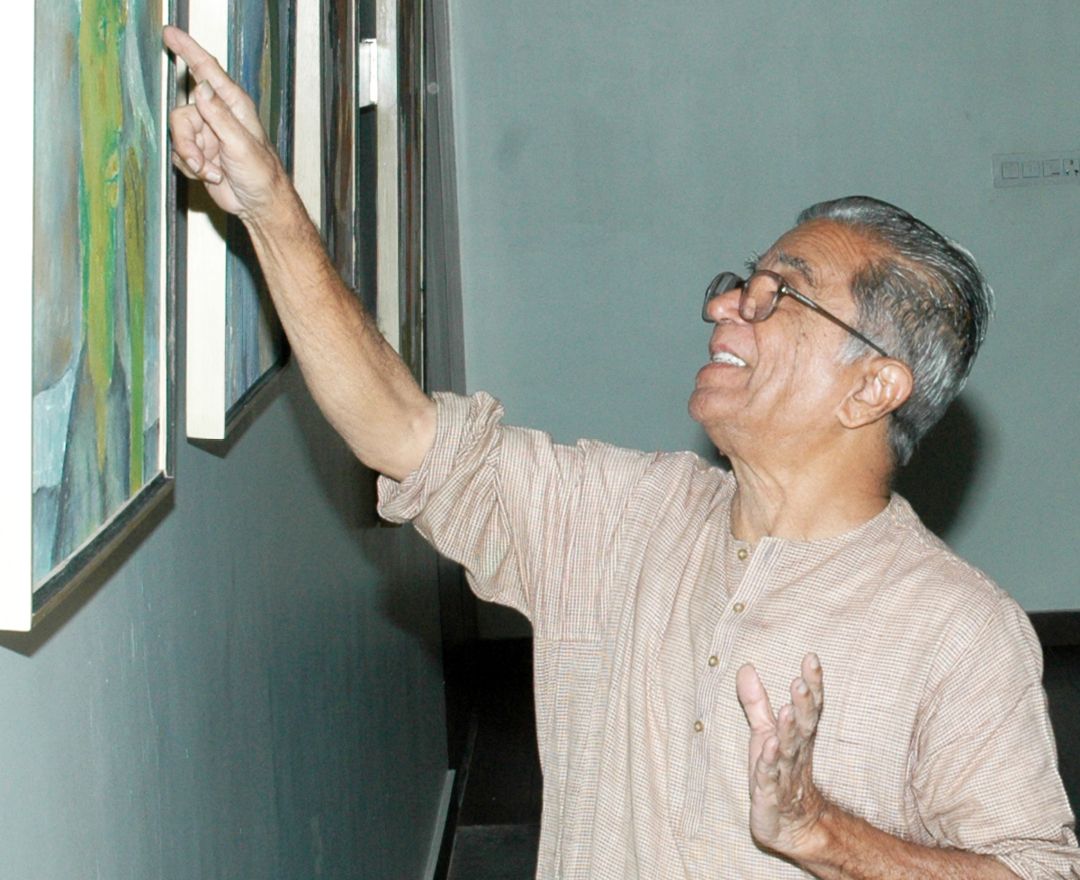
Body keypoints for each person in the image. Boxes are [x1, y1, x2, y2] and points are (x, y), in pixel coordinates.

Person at [164, 25, 1079, 879]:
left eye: (778, 296)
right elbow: (400, 431)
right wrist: (270, 207)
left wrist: (819, 831)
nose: (723, 308)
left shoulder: (958, 630)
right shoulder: (623, 518)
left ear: (873, 387)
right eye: (741, 283)